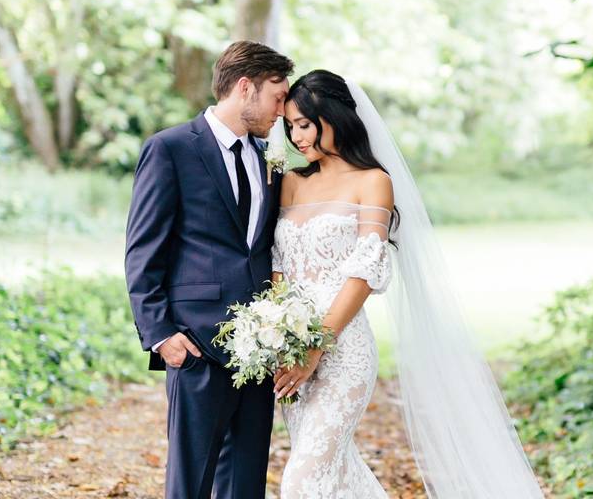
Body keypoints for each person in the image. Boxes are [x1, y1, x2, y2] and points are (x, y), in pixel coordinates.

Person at [271, 70, 545, 498]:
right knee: (337, 475)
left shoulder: (373, 182)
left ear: (336, 117)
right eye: (290, 126)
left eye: (304, 124)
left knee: (301, 479)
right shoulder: (292, 181)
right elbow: (279, 267)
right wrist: (279, 335)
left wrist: (316, 346)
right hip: (293, 352)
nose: (296, 136)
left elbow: (365, 271)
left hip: (342, 353)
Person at [124, 40, 293, 499]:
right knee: (191, 483)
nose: (283, 109)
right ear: (245, 88)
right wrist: (161, 334)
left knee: (246, 482)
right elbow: (143, 251)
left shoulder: (269, 160)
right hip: (195, 345)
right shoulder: (171, 149)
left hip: (259, 347)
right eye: (278, 96)